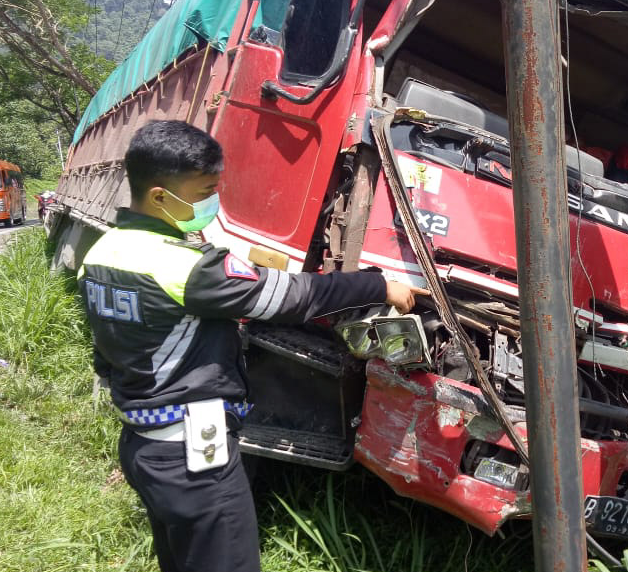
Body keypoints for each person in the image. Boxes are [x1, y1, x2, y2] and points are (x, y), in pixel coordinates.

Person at [78, 120, 426, 572]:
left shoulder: (104, 252)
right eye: (205, 190)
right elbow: (298, 296)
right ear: (160, 195)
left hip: (143, 449)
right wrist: (377, 285)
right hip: (196, 459)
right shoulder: (188, 270)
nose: (212, 200)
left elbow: (105, 355)